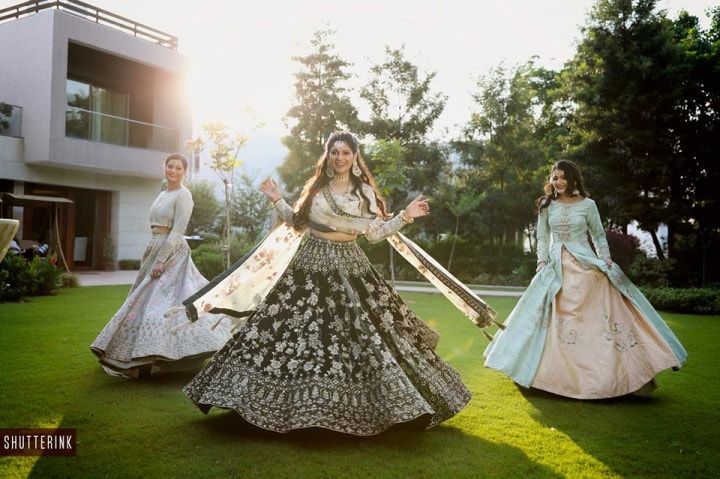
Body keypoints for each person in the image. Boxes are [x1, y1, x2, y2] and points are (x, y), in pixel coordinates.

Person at [182, 131, 497, 435]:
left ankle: (382, 406)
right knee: (284, 330)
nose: (340, 157)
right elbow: (298, 223)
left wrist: (406, 216)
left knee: (363, 335)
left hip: (350, 266)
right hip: (308, 265)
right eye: (335, 152)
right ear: (328, 156)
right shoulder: (318, 188)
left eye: (346, 152)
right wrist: (278, 200)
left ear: (355, 156)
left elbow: (374, 234)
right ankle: (258, 402)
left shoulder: (365, 194)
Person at [484, 160, 687, 399]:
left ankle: (613, 378)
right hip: (556, 267)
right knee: (542, 315)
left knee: (599, 314)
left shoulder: (589, 205)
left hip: (586, 264)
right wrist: (541, 262)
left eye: (561, 177)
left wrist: (606, 259)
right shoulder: (546, 206)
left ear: (572, 179)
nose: (557, 182)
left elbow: (598, 236)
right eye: (554, 177)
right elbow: (542, 237)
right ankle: (547, 379)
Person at [90, 154, 232, 378]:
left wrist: (161, 260)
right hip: (154, 246)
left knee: (160, 304)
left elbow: (177, 230)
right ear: (164, 168)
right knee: (143, 300)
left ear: (184, 172)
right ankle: (140, 355)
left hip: (172, 252)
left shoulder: (184, 195)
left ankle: (155, 356)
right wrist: (151, 255)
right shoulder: (163, 193)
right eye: (170, 166)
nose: (173, 170)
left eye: (178, 168)